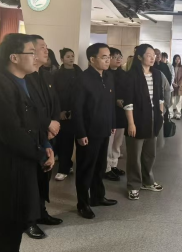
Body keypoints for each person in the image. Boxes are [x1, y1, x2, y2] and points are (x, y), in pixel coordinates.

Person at [0, 34, 55, 252]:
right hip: (6, 168)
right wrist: (40, 154)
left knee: (16, 226)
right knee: (6, 232)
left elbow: (35, 119)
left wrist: (45, 146)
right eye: (31, 52)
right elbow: (11, 132)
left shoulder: (24, 80)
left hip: (23, 163)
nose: (35, 57)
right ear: (14, 57)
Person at [72, 43, 118, 219]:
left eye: (109, 57)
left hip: (104, 129)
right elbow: (77, 109)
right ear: (92, 59)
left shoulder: (108, 76)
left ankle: (98, 196)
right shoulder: (83, 79)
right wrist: (80, 133)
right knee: (86, 169)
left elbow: (110, 102)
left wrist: (112, 122)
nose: (108, 60)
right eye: (104, 57)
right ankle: (82, 203)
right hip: (88, 133)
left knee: (100, 166)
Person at [24, 35, 62, 239]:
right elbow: (29, 109)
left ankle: (41, 211)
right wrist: (47, 124)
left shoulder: (46, 75)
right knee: (30, 179)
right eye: (41, 47)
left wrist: (54, 123)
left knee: (44, 175)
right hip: (32, 135)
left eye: (46, 47)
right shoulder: (23, 78)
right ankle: (28, 220)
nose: (46, 50)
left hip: (47, 134)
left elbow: (54, 102)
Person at [123, 44, 164, 200]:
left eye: (154, 55)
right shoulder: (131, 75)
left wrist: (160, 114)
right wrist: (131, 123)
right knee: (134, 155)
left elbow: (160, 97)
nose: (153, 57)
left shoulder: (157, 74)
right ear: (139, 57)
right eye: (148, 55)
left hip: (153, 117)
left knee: (149, 153)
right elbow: (128, 101)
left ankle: (148, 181)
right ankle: (133, 185)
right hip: (137, 118)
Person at [54, 48, 83, 181]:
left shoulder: (79, 73)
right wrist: (60, 111)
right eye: (68, 56)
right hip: (63, 113)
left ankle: (76, 167)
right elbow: (55, 95)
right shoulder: (56, 74)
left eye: (72, 56)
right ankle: (64, 168)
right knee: (65, 142)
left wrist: (74, 111)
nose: (71, 58)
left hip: (77, 112)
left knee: (81, 141)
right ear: (62, 59)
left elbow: (82, 94)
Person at [104, 47, 127, 182]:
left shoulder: (123, 74)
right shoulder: (105, 74)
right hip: (109, 112)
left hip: (121, 112)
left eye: (120, 56)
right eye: (115, 56)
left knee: (118, 142)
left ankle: (113, 164)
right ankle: (106, 168)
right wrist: (115, 101)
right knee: (109, 141)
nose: (118, 59)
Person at [170, 54, 182, 120]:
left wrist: (178, 84)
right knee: (171, 101)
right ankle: (170, 114)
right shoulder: (171, 67)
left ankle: (178, 114)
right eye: (176, 59)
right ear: (174, 60)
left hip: (180, 87)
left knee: (178, 101)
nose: (177, 60)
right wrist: (173, 83)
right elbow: (170, 76)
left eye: (178, 59)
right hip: (172, 86)